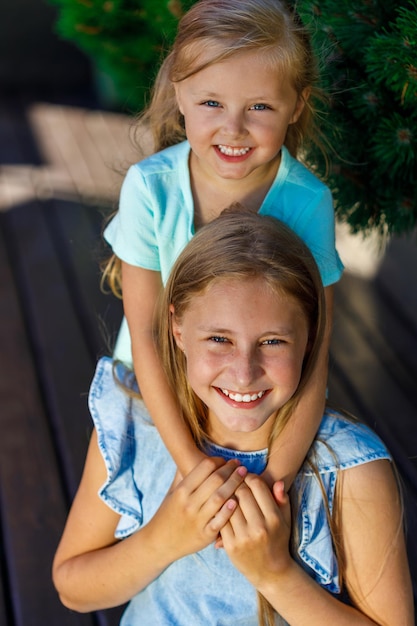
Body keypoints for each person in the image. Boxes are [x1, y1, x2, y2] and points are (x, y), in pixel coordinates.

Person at [53, 210, 413, 626]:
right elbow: (71, 587)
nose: (244, 372)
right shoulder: (136, 425)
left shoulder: (351, 469)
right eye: (219, 339)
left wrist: (276, 575)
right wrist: (161, 540)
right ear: (178, 331)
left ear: (309, 337)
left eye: (273, 341)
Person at [101, 0, 344, 486]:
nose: (233, 128)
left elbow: (315, 352)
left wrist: (274, 482)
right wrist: (194, 472)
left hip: (258, 401)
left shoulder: (307, 202)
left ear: (296, 104)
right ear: (180, 93)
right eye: (212, 103)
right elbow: (148, 338)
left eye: (259, 106)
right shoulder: (151, 188)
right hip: (153, 395)